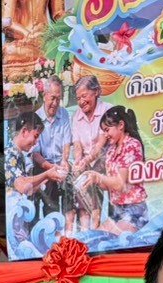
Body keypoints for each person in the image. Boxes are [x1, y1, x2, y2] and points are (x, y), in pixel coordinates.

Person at [80, 105, 149, 234]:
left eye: (107, 130)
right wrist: (93, 180)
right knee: (94, 238)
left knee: (108, 242)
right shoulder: (111, 151)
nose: (105, 135)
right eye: (103, 131)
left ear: (121, 125)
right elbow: (108, 186)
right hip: (118, 212)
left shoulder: (132, 145)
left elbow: (120, 184)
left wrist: (98, 177)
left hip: (134, 212)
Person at [6, 112, 61, 247]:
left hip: (21, 223)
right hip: (14, 224)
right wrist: (47, 174)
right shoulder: (10, 154)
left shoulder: (19, 155)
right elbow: (22, 186)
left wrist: (48, 179)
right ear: (24, 131)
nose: (36, 143)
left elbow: (29, 189)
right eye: (35, 136)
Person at [65, 75, 109, 233]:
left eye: (84, 96)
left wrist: (87, 161)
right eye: (78, 98)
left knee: (92, 174)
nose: (81, 101)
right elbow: (77, 144)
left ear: (96, 92)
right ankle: (86, 230)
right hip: (87, 160)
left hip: (105, 158)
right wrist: (78, 160)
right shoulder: (76, 116)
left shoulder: (107, 110)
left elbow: (102, 143)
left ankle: (98, 225)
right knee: (77, 177)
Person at [34, 78, 72, 218]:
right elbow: (36, 154)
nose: (55, 103)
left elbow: (67, 142)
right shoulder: (36, 118)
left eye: (58, 99)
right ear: (45, 96)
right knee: (51, 197)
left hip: (61, 162)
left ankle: (70, 231)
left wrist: (65, 161)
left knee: (72, 186)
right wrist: (51, 168)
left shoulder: (64, 113)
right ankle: (53, 230)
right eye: (52, 98)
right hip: (44, 165)